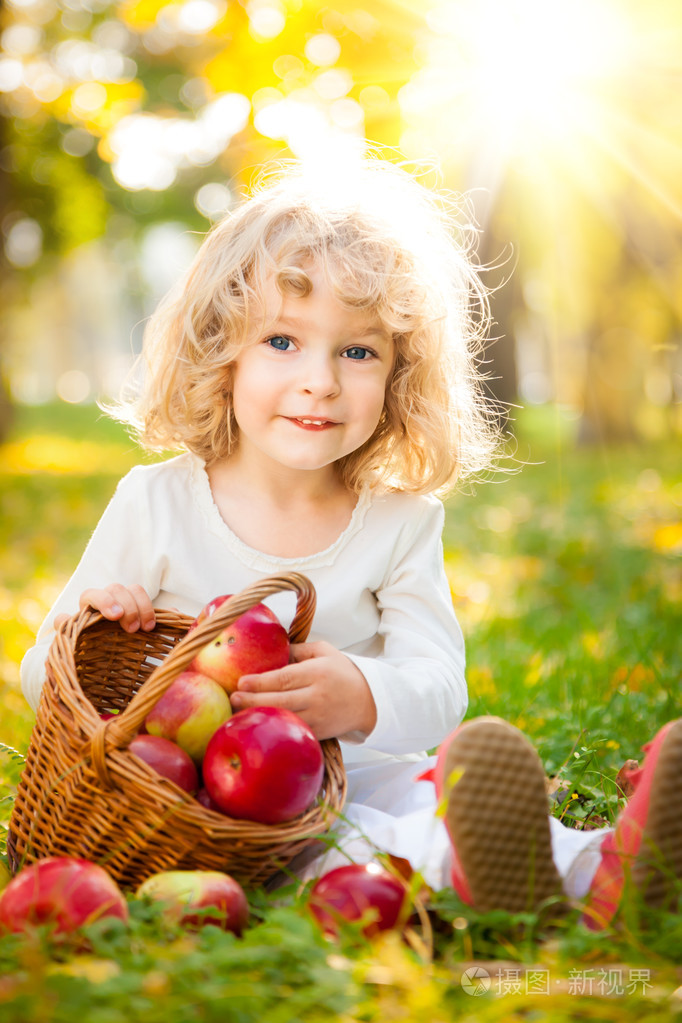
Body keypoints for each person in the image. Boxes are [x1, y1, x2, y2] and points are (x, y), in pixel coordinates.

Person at [20, 159, 680, 926]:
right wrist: (94, 623)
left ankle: (605, 863)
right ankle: (480, 874)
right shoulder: (156, 503)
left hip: (366, 769)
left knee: (435, 793)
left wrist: (365, 696)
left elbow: (438, 686)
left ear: (402, 375)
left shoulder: (400, 522)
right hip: (220, 809)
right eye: (281, 341)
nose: (321, 381)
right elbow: (44, 678)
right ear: (220, 351)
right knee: (354, 847)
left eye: (358, 352)